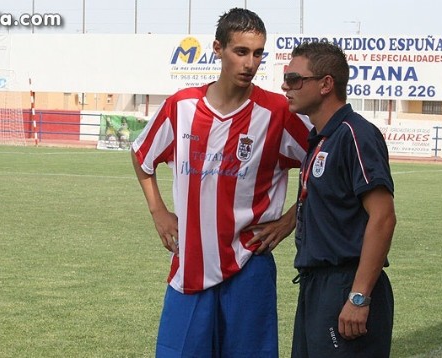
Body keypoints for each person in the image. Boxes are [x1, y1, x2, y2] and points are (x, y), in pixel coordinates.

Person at [131, 8, 310, 357]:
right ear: (218, 48)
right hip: (192, 260)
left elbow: (322, 167)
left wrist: (291, 219)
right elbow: (141, 157)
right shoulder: (182, 106)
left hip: (250, 261)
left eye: (258, 53)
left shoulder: (276, 113)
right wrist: (158, 212)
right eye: (241, 51)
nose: (250, 63)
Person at [282, 41, 397, 358]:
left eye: (294, 79)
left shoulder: (355, 134)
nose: (285, 86)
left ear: (325, 84)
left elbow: (383, 217)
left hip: (346, 284)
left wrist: (358, 297)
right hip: (316, 286)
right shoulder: (323, 138)